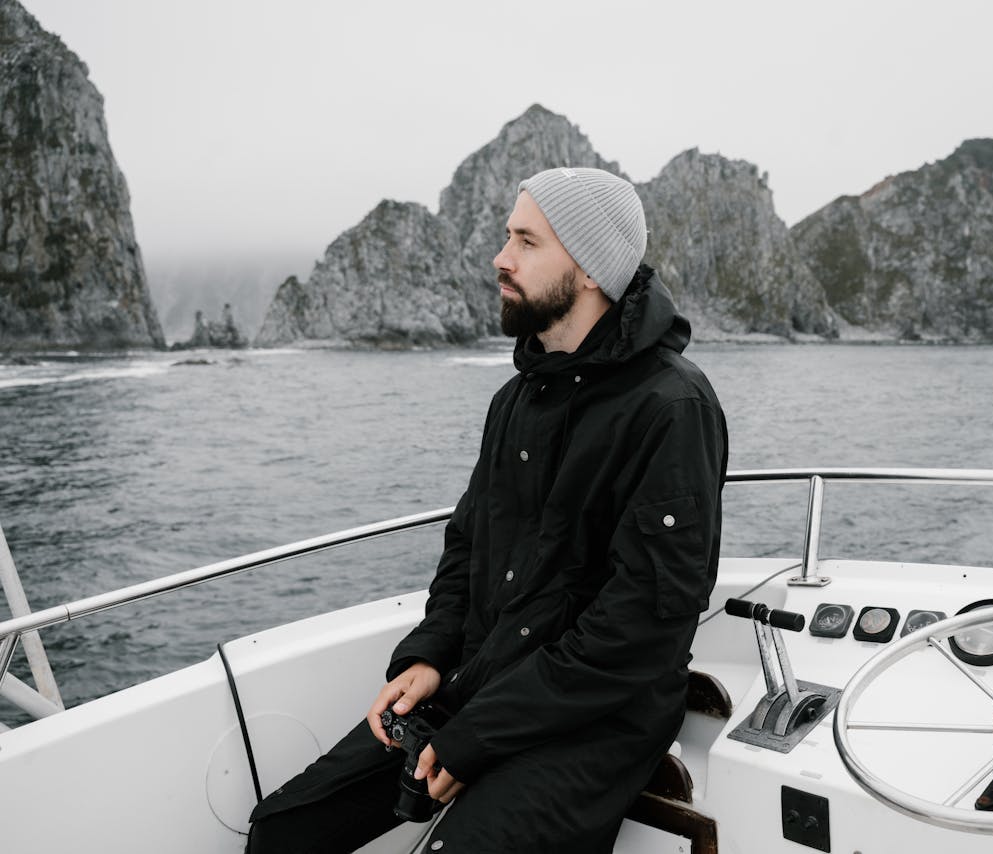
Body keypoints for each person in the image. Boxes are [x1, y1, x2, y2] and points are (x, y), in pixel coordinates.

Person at [247, 167, 729, 853]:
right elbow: (468, 545)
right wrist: (429, 654)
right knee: (282, 831)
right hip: (483, 677)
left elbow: (640, 629)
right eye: (508, 237)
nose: (501, 259)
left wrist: (478, 736)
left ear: (591, 269)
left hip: (597, 718)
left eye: (526, 241)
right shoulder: (516, 400)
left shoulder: (672, 408)